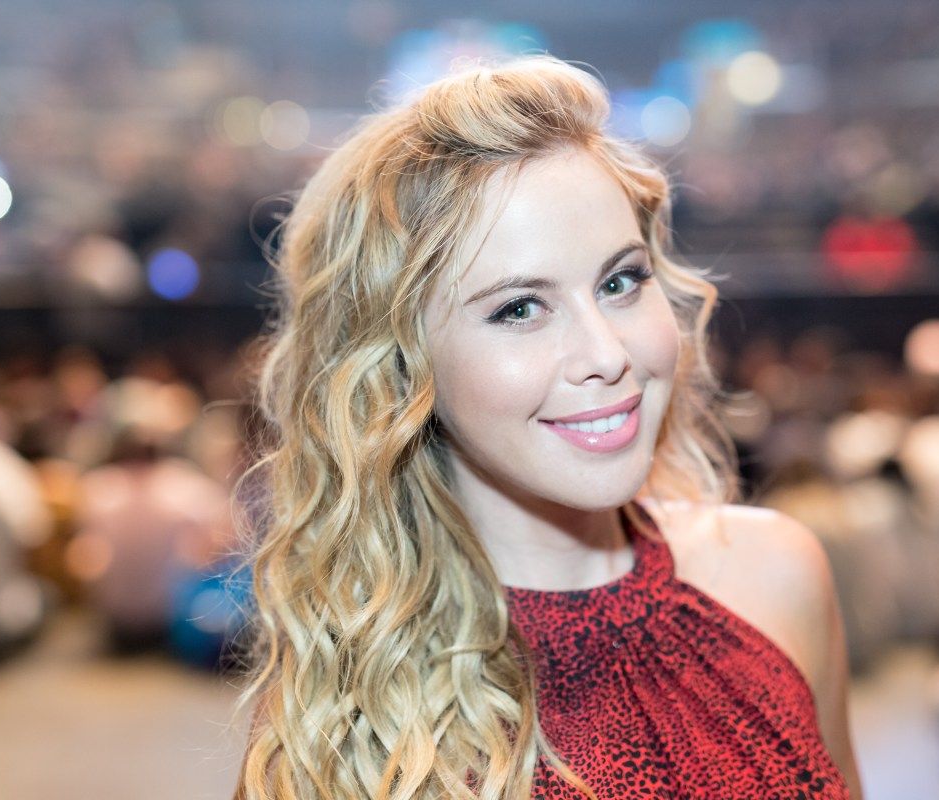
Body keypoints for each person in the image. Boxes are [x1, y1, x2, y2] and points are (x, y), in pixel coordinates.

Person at [232, 54, 862, 799]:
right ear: (400, 365)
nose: (607, 355)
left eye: (621, 281)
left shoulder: (777, 575)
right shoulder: (354, 716)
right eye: (520, 308)